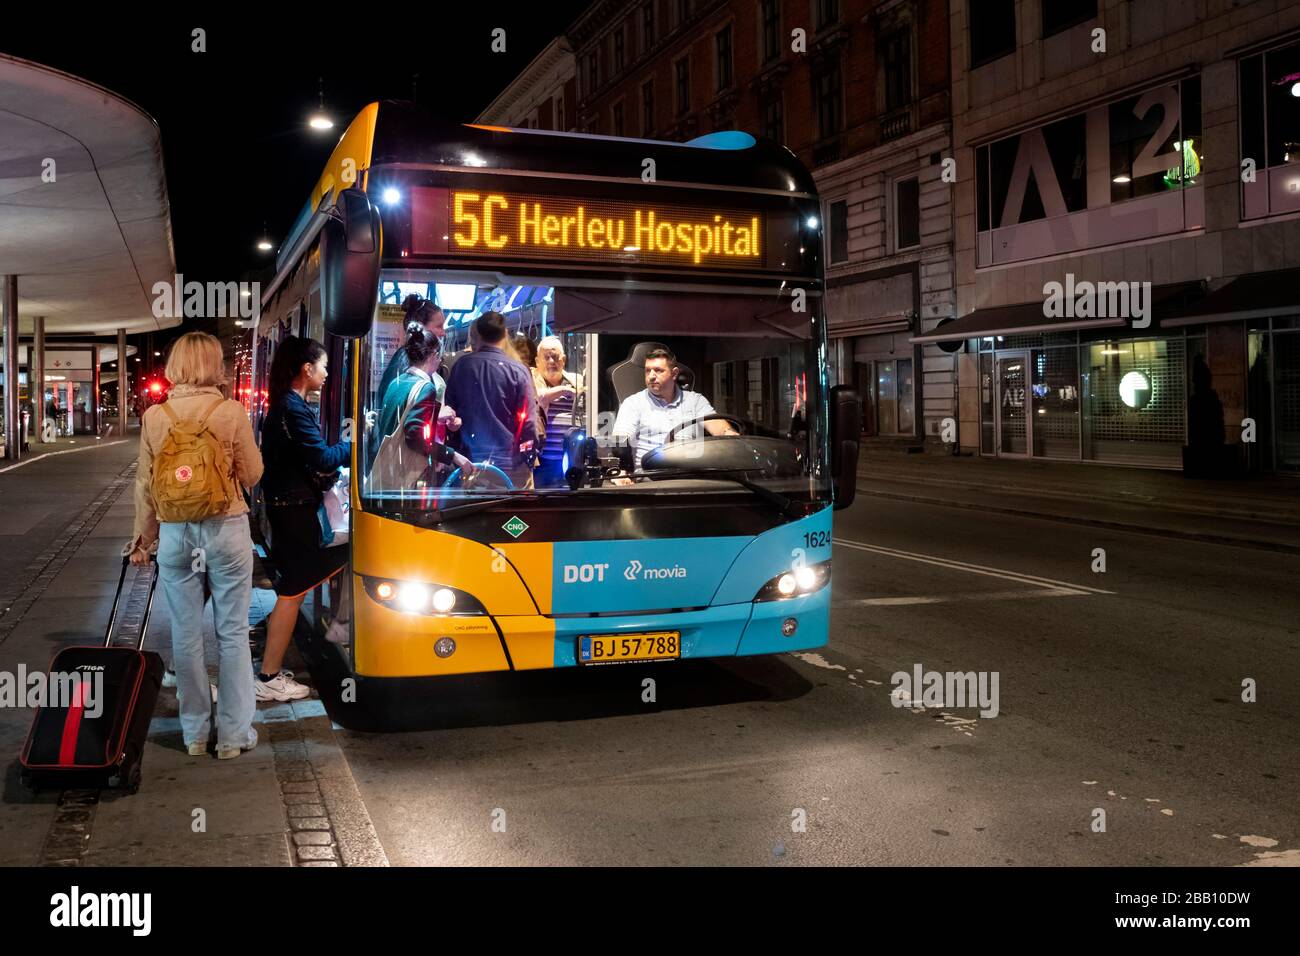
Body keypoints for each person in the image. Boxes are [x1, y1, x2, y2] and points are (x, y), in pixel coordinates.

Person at [127, 332, 263, 759]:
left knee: (186, 636)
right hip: (225, 530)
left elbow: (145, 485)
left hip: (175, 534)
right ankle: (233, 736)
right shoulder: (230, 411)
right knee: (232, 633)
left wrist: (142, 542)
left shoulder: (156, 416)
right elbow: (254, 474)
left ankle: (194, 734)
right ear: (214, 365)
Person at [258, 336, 351, 702]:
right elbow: (323, 458)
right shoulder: (293, 408)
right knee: (295, 589)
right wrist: (355, 443)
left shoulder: (284, 405)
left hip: (286, 508)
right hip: (295, 512)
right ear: (306, 369)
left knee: (292, 590)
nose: (328, 374)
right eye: (324, 366)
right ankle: (268, 676)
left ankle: (272, 669)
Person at [443, 311, 540, 489]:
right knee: (516, 516)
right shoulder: (518, 370)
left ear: (477, 334)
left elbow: (449, 413)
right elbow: (528, 423)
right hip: (511, 467)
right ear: (505, 334)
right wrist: (528, 459)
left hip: (471, 464)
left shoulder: (462, 367)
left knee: (477, 515)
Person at [374, 321, 472, 485]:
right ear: (433, 355)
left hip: (387, 472)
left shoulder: (397, 383)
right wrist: (452, 455)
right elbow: (415, 437)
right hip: (405, 477)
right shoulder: (426, 387)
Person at [612, 347, 736, 472]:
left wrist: (731, 436)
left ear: (675, 373)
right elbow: (620, 440)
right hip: (648, 478)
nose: (651, 376)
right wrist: (621, 472)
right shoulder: (633, 403)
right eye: (648, 371)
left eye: (658, 370)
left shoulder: (695, 401)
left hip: (689, 477)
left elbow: (722, 431)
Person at [531, 336, 583, 487]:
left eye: (555, 357)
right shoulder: (530, 379)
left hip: (573, 460)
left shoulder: (577, 381)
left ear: (564, 360)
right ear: (537, 362)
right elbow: (538, 397)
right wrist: (563, 390)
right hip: (543, 462)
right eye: (546, 357)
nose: (551, 362)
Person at [377, 294, 446, 401]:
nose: (443, 333)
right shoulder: (405, 358)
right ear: (420, 326)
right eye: (439, 326)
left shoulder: (408, 356)